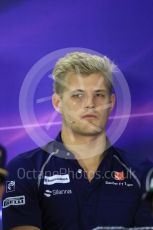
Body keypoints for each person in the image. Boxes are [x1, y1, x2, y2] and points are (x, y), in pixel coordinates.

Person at [2, 52, 153, 230]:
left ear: (111, 102)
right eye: (77, 95)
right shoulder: (24, 169)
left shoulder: (143, 173)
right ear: (57, 102)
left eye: (99, 95)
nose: (90, 104)